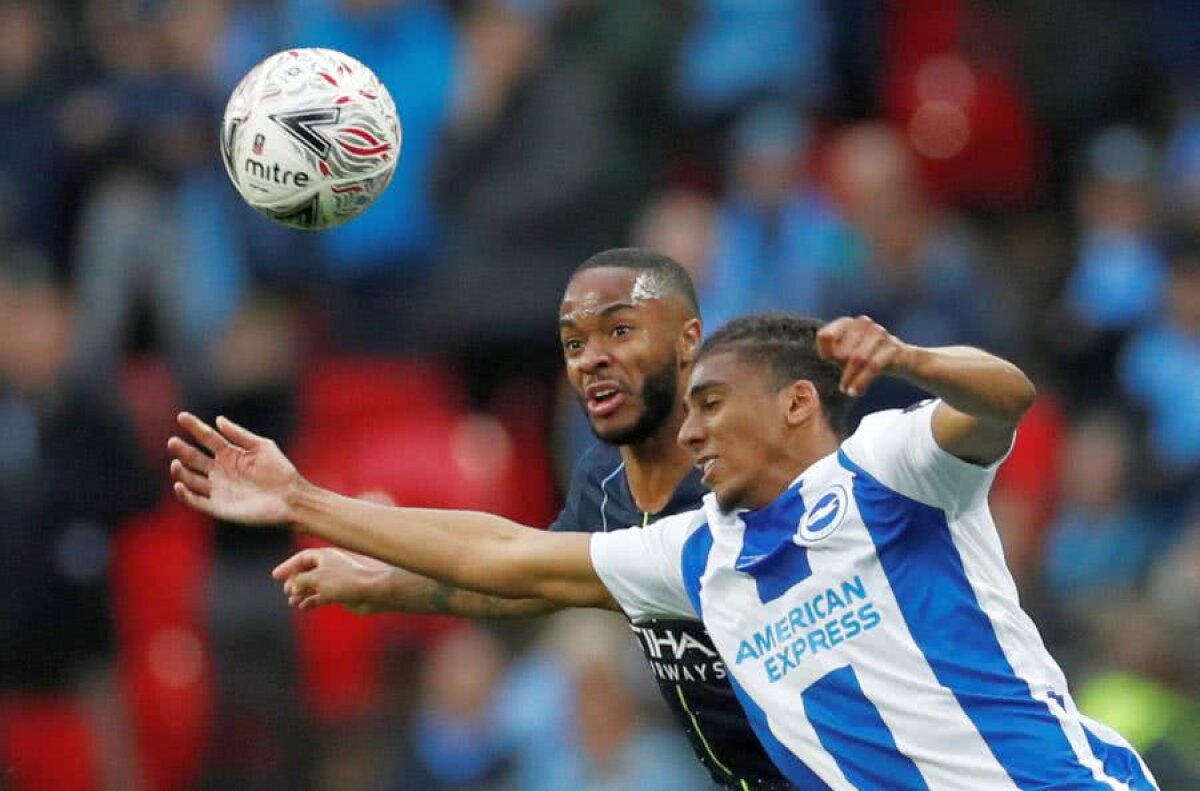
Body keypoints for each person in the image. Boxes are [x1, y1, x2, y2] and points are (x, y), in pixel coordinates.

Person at [169, 309, 1159, 789]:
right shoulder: (698, 555)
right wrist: (317, 507)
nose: (688, 434)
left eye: (713, 406)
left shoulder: (887, 469)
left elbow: (1007, 397)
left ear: (799, 403)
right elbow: (510, 559)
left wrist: (907, 361)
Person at [218, 249, 796, 789]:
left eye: (620, 332)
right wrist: (387, 585)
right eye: (574, 343)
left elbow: (510, 561)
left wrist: (302, 500)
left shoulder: (748, 476)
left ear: (688, 342)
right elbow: (521, 582)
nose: (592, 359)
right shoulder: (605, 478)